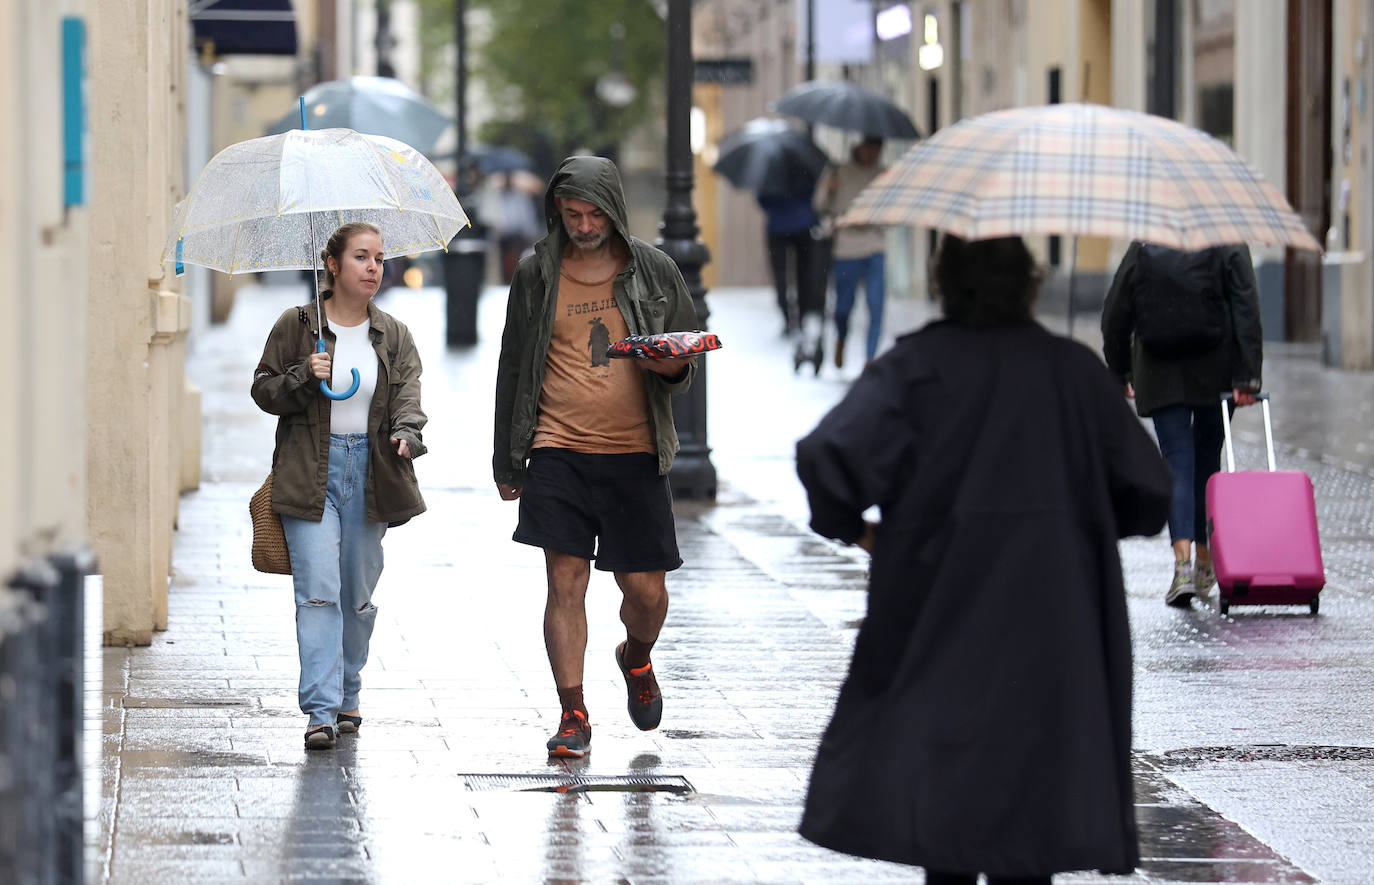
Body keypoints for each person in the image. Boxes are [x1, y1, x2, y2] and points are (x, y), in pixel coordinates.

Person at [794, 235, 1171, 883]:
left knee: (948, 807)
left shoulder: (914, 368)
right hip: (1053, 627)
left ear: (945, 281)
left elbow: (829, 455)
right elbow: (1148, 492)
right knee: (1030, 821)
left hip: (938, 612)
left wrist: (857, 530)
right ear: (1028, 283)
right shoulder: (1072, 370)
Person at [493, 156, 699, 759]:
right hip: (556, 447)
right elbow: (514, 364)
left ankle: (635, 657)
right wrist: (508, 461)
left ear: (614, 211)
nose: (583, 226)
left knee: (647, 593)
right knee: (565, 581)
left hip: (634, 451)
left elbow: (686, 348)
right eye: (572, 213)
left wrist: (671, 363)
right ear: (557, 209)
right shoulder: (535, 273)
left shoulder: (652, 269)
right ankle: (573, 713)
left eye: (594, 214)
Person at [251, 221, 428, 751]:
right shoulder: (297, 326)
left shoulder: (392, 334)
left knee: (356, 596)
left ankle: (349, 688)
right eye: (361, 257)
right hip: (310, 473)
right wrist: (305, 373)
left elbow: (408, 396)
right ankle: (321, 711)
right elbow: (263, 391)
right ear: (333, 264)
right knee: (318, 595)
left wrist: (406, 433)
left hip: (371, 474)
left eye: (379, 258)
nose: (374, 268)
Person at [1101, 241, 1263, 607]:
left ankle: (1183, 567)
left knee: (1177, 459)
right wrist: (1247, 376)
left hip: (1159, 370)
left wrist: (1120, 368)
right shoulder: (1229, 241)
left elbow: (1115, 311)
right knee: (1207, 458)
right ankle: (1206, 565)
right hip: (1217, 370)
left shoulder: (1144, 244)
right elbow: (1246, 306)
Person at [813, 135, 887, 368]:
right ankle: (842, 338)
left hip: (875, 245)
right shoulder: (838, 170)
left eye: (878, 151)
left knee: (876, 306)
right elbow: (819, 205)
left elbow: (893, 215)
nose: (873, 156)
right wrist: (829, 187)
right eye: (871, 150)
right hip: (846, 248)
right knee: (843, 308)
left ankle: (870, 359)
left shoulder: (883, 174)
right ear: (861, 147)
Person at [756, 175, 821, 340]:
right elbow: (814, 196)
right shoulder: (803, 168)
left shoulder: (770, 172)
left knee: (780, 276)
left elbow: (762, 200)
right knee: (803, 274)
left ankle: (787, 317)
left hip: (778, 227)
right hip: (802, 224)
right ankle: (800, 317)